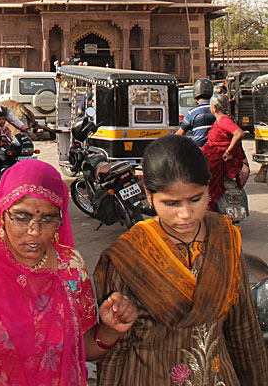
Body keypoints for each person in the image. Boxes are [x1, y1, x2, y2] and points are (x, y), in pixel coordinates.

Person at [0, 160, 137, 386]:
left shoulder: (70, 268)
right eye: (22, 217)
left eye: (48, 219)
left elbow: (80, 348)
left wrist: (108, 330)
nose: (34, 231)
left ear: (61, 220)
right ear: (1, 213)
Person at [94, 134, 268, 385]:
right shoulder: (130, 254)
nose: (185, 214)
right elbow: (119, 344)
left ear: (209, 187)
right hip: (148, 376)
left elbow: (243, 329)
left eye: (196, 199)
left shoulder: (225, 239)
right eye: (171, 203)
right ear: (149, 196)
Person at [202, 92, 247, 212]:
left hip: (219, 162)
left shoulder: (223, 120)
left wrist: (228, 151)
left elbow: (239, 133)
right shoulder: (220, 120)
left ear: (214, 108)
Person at [176, 78, 215, 147]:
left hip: (198, 152)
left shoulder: (192, 113)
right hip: (215, 150)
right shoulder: (216, 110)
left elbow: (180, 133)